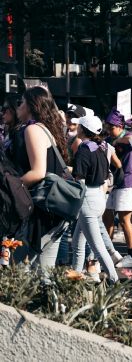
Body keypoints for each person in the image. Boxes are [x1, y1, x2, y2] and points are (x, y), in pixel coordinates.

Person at [13, 87, 69, 272]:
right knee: (43, 271)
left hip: (44, 212)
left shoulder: (33, 129)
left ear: (31, 105)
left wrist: (12, 187)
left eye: (20, 102)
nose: (17, 107)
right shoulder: (45, 128)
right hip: (52, 209)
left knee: (38, 272)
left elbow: (38, 172)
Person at [71, 115, 119, 283]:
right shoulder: (99, 147)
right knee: (77, 242)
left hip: (88, 200)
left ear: (83, 129)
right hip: (99, 197)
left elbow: (79, 180)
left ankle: (115, 281)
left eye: (78, 125)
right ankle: (74, 277)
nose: (76, 127)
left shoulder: (84, 149)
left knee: (97, 247)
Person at [103, 109, 132, 268]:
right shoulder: (110, 138)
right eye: (108, 128)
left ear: (120, 126)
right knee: (107, 217)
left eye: (112, 128)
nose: (109, 131)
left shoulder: (129, 136)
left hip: (127, 182)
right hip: (113, 182)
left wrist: (118, 141)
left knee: (125, 219)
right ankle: (107, 252)